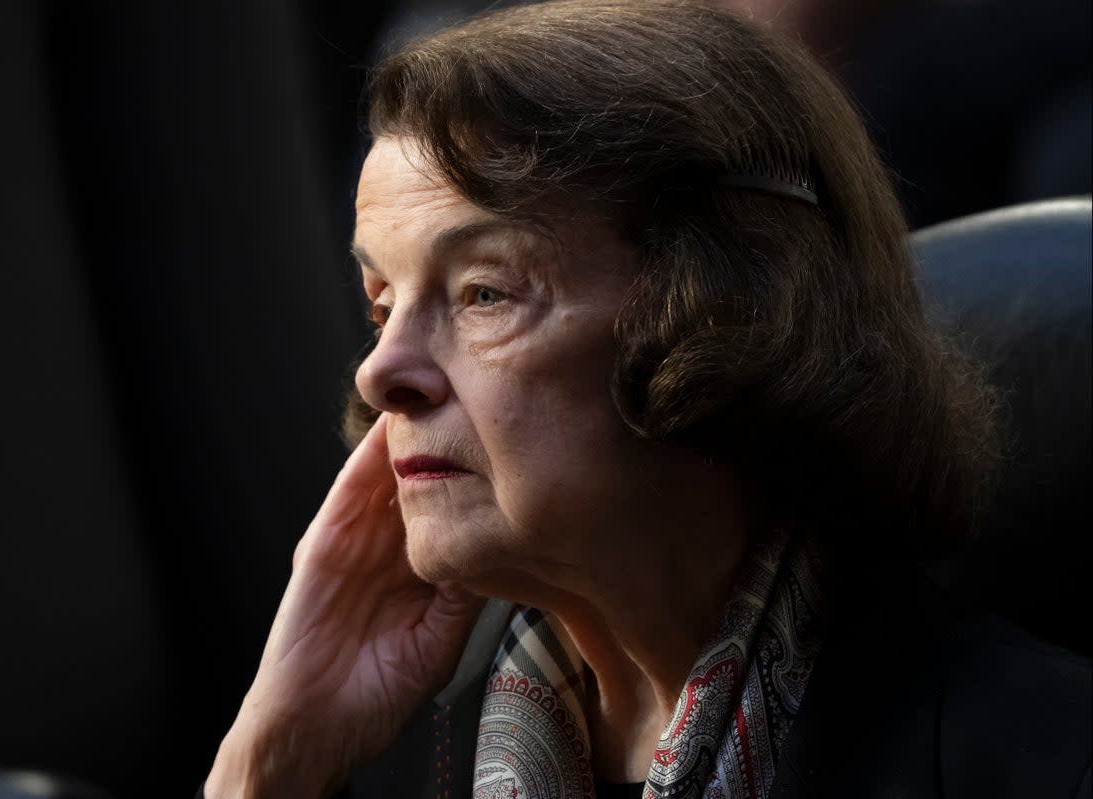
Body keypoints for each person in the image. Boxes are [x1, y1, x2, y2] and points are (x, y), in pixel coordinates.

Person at [202, 2, 1091, 797]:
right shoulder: (381, 759)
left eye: (484, 293)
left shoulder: (1041, 758)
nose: (379, 371)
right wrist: (269, 762)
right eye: (382, 305)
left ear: (726, 317)